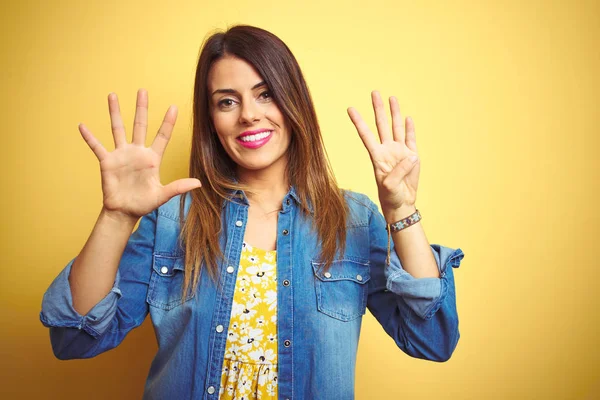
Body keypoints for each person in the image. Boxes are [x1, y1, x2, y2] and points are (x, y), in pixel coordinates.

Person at [40, 25, 464, 400]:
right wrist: (115, 217)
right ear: (211, 119)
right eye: (227, 102)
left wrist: (403, 211)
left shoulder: (353, 219)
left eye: (265, 94)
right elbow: (74, 339)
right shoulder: (173, 219)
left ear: (292, 101)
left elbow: (432, 338)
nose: (248, 115)